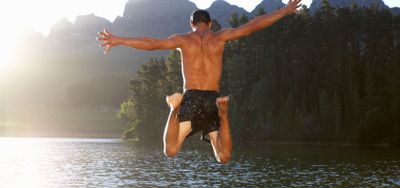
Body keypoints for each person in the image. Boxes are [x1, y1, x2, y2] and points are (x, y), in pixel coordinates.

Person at [97, 0, 302, 164]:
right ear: (210, 23)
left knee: (170, 151)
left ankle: (174, 109)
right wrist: (284, 11)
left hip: (191, 97)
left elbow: (153, 43)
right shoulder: (220, 37)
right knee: (224, 157)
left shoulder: (184, 40)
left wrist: (120, 40)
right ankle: (223, 114)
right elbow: (251, 26)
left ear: (192, 24)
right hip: (212, 99)